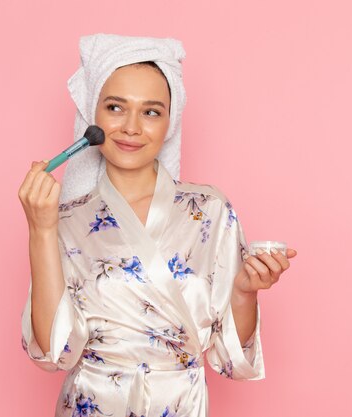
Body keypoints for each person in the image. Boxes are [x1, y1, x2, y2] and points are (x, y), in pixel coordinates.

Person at [18, 33, 297, 417]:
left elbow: (232, 360)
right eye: (116, 107)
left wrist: (245, 292)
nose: (132, 127)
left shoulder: (210, 210)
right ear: (92, 115)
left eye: (151, 112)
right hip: (91, 404)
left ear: (170, 121)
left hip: (180, 404)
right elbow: (52, 353)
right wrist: (41, 229)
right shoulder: (65, 218)